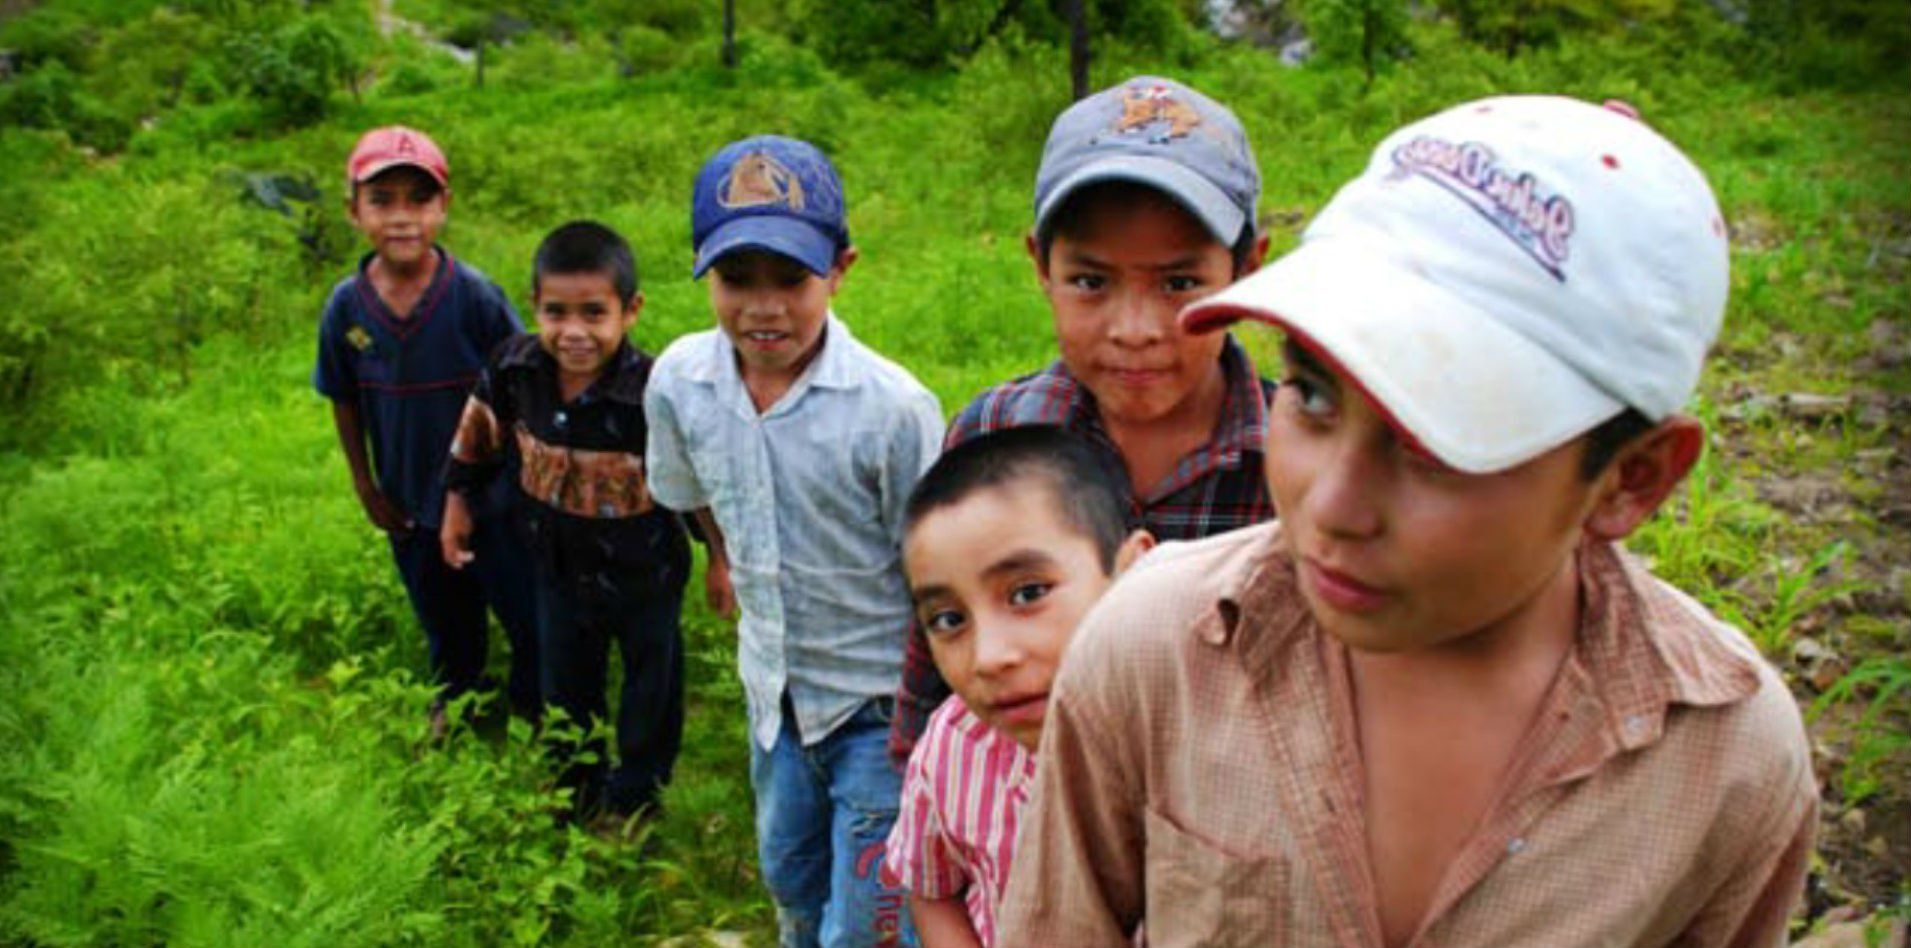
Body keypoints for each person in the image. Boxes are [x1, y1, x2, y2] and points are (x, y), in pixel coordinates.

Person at [998, 95, 1818, 945]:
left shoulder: (1727, 763)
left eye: (1436, 441)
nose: (1331, 507)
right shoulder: (1152, 648)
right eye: (1312, 394)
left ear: (1630, 478)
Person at [889, 75, 1277, 766]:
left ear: (1247, 270)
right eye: (1091, 282)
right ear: (1041, 266)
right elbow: (932, 674)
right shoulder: (994, 434)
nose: (1134, 330)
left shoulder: (1299, 463)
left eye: (1180, 283)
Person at [645, 135, 943, 947]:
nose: (763, 307)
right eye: (736, 279)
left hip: (879, 707)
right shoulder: (680, 382)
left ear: (840, 269)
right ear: (704, 273)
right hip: (773, 696)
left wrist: (936, 718)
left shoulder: (891, 410)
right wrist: (723, 557)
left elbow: (939, 572)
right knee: (792, 883)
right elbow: (691, 492)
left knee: (868, 926)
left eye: (790, 278)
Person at [440, 220, 690, 825]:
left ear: (630, 310)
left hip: (646, 571)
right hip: (554, 564)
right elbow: (478, 434)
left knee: (651, 684)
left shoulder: (653, 391)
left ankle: (636, 794)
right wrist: (457, 504)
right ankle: (575, 790)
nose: (574, 332)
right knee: (565, 683)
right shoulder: (514, 370)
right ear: (534, 306)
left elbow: (691, 481)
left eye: (594, 313)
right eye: (556, 312)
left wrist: (723, 562)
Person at [880, 426, 1152, 947]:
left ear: (1134, 572)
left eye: (1028, 593)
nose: (988, 657)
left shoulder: (1206, 743)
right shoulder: (953, 744)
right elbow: (932, 888)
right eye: (948, 619)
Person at [312, 125, 538, 734]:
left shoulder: (474, 296)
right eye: (382, 200)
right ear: (353, 211)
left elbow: (522, 386)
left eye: (419, 199)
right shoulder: (346, 309)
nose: (402, 217)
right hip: (409, 496)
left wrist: (525, 482)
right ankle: (458, 694)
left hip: (492, 496)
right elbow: (343, 398)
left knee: (522, 606)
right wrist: (365, 484)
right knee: (442, 611)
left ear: (444, 205)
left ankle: (537, 703)